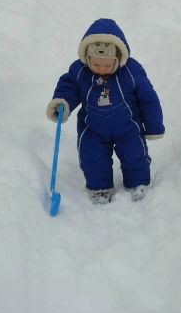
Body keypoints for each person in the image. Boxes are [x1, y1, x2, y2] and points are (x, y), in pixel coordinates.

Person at [46, 18, 165, 204]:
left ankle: (137, 183)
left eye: (107, 65)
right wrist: (63, 102)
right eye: (96, 65)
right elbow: (69, 87)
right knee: (92, 157)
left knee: (135, 155)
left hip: (127, 126)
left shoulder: (131, 71)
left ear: (118, 59)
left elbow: (148, 98)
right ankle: (100, 188)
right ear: (87, 58)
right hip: (93, 127)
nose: (101, 70)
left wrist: (153, 125)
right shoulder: (80, 71)